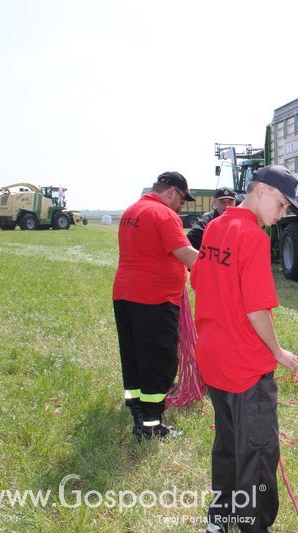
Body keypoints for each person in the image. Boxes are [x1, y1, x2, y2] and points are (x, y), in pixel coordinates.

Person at [191, 165, 298, 532]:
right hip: (244, 369)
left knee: (228, 444)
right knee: (257, 452)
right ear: (262, 191)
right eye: (283, 204)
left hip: (213, 359)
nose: (282, 214)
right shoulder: (252, 236)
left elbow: (201, 282)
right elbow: (257, 310)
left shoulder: (215, 227)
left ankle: (221, 516)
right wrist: (278, 352)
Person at [112, 171, 199, 441]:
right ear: (171, 192)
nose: (181, 207)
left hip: (125, 294)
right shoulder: (163, 214)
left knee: (134, 356)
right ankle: (151, 425)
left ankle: (136, 407)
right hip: (154, 300)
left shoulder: (131, 211)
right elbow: (186, 255)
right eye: (182, 200)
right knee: (160, 361)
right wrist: (223, 269)